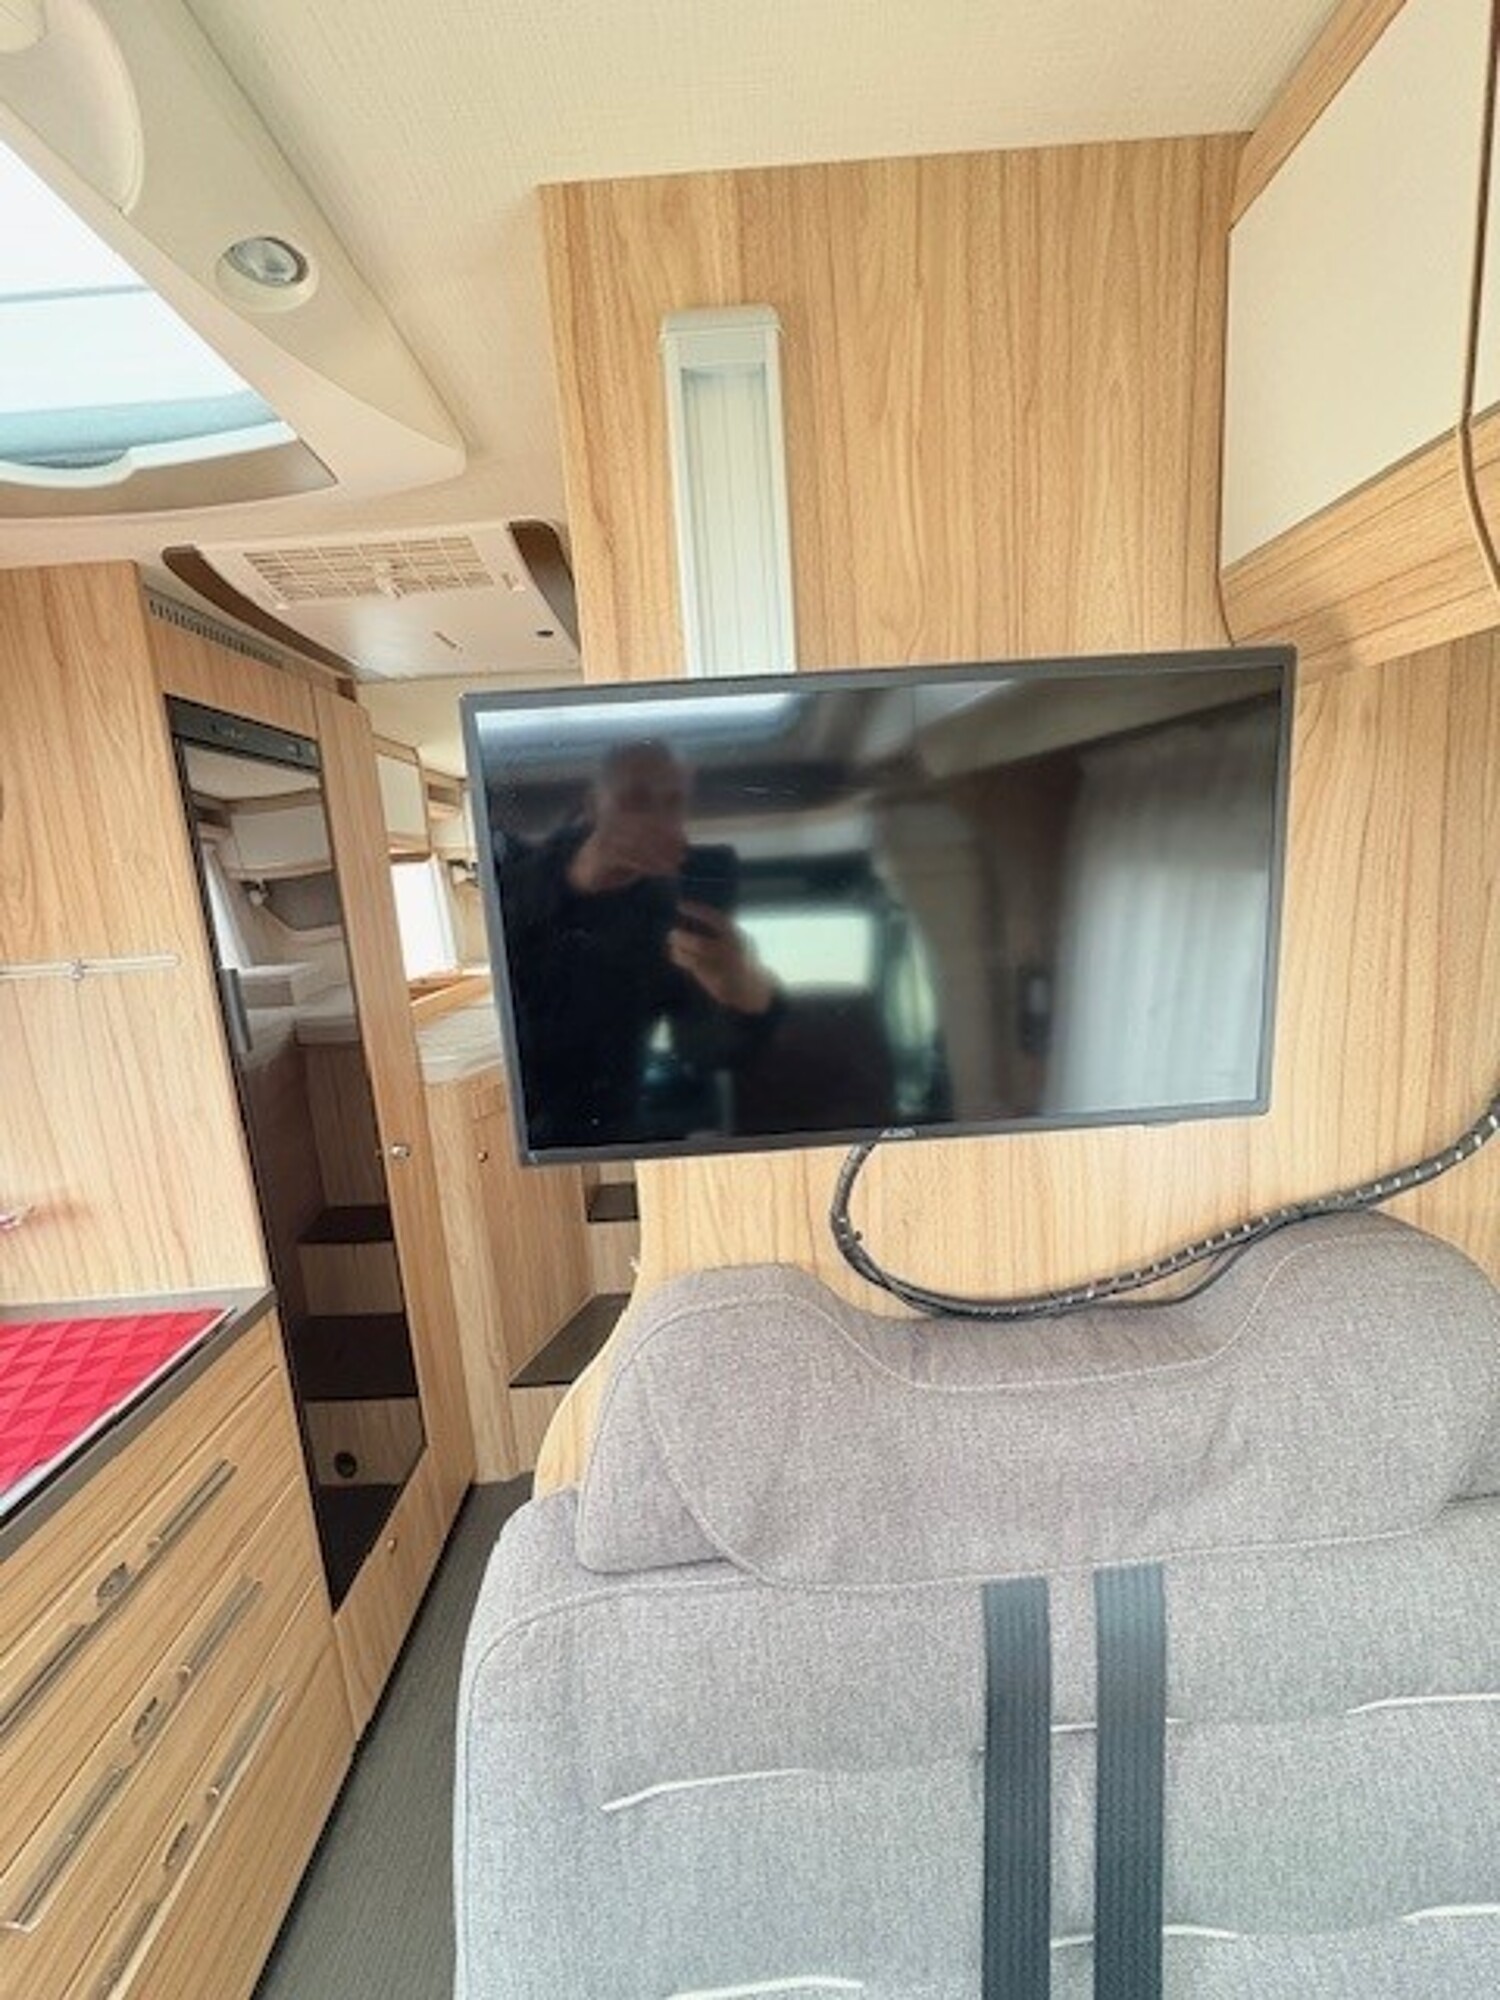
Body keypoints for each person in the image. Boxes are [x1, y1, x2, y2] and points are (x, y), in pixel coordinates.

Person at [496, 740, 781, 1148]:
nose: (655, 817)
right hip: (503, 1118)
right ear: (594, 806)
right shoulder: (512, 871)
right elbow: (500, 950)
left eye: (673, 802)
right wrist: (584, 871)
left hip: (608, 1135)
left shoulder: (674, 914)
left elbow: (704, 1053)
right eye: (636, 799)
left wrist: (743, 992)